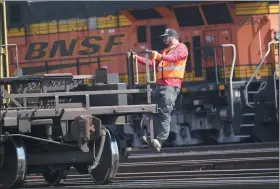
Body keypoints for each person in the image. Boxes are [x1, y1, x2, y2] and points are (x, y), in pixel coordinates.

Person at [132, 28, 188, 152]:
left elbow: (176, 57)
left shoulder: (181, 47)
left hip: (171, 85)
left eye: (166, 37)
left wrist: (160, 56)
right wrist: (137, 58)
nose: (164, 39)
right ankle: (155, 139)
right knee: (156, 112)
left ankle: (160, 140)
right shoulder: (166, 51)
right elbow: (153, 63)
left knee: (164, 112)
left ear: (173, 37)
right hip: (160, 85)